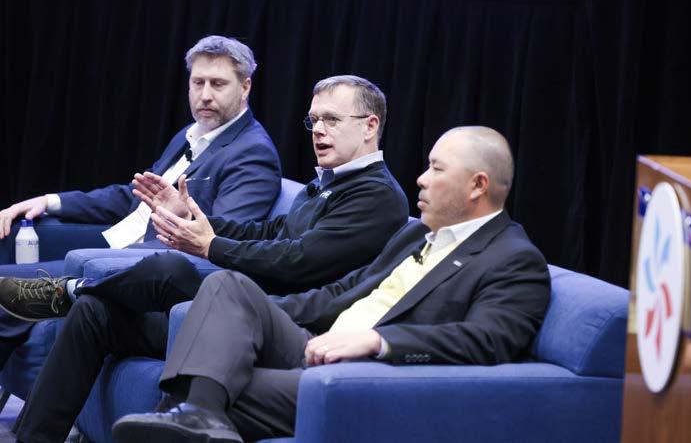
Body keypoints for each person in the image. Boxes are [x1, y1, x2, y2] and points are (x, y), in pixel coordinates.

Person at [11, 126, 549, 443]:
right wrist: (256, 313)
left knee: (200, 322)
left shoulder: (514, 259)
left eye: (435, 169)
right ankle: (191, 409)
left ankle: (195, 407)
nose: (421, 179)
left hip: (365, 371)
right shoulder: (414, 234)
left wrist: (379, 341)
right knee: (222, 292)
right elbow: (338, 293)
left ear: (478, 185)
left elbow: (489, 340)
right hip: (307, 340)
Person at [0, 34, 282, 370]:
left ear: (245, 87)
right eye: (198, 82)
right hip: (112, 245)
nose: (205, 95)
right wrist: (50, 201)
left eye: (218, 84)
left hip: (138, 265)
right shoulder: (191, 134)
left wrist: (181, 218)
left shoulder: (253, 153)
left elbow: (221, 241)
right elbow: (133, 196)